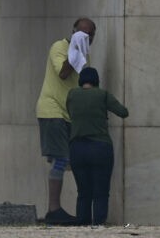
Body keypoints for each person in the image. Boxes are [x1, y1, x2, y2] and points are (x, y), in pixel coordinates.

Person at [35, 17, 96, 225]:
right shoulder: (59, 47)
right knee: (60, 159)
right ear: (73, 32)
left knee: (72, 160)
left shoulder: (84, 55)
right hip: (52, 111)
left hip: (69, 114)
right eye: (80, 33)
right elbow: (62, 73)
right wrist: (75, 50)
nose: (84, 38)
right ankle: (54, 209)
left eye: (88, 35)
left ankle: (69, 209)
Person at [66, 67, 128, 226]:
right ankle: (98, 225)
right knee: (100, 192)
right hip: (100, 148)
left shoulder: (72, 95)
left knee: (83, 192)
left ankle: (82, 225)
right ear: (96, 81)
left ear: (81, 81)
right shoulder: (102, 94)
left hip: (77, 149)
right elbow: (123, 112)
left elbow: (70, 113)